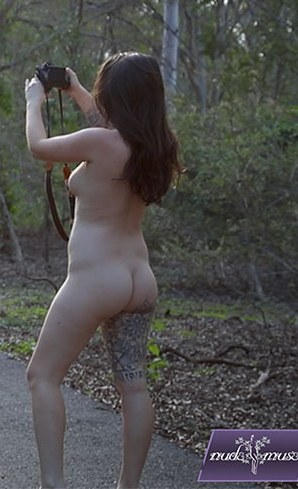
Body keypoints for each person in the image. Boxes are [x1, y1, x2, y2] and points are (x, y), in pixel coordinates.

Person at [23, 52, 182, 489]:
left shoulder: (100, 143)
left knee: (42, 376)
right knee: (133, 387)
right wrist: (74, 89)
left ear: (114, 95)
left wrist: (33, 101)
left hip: (96, 279)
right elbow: (107, 126)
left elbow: (38, 147)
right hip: (139, 279)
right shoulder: (156, 146)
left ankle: (53, 483)